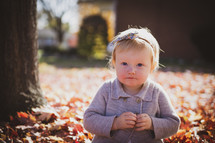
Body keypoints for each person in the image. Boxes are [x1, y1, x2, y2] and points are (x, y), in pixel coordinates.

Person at [83, 27, 180, 143]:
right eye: (124, 63)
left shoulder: (156, 92)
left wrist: (152, 124)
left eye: (139, 65)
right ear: (115, 63)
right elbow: (89, 120)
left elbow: (173, 123)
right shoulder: (107, 89)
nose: (131, 70)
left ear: (152, 67)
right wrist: (115, 123)